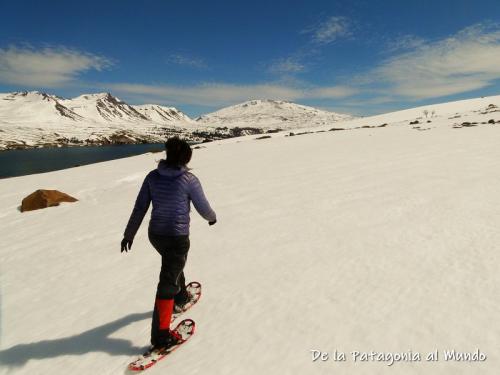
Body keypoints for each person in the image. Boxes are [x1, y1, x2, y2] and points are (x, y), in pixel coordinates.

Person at [121, 137, 216, 350]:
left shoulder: (152, 177)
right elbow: (203, 206)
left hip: (155, 235)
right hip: (177, 237)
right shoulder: (189, 180)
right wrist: (212, 217)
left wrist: (129, 234)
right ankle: (161, 336)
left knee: (173, 265)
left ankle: (180, 295)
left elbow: (140, 208)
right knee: (167, 281)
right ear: (186, 158)